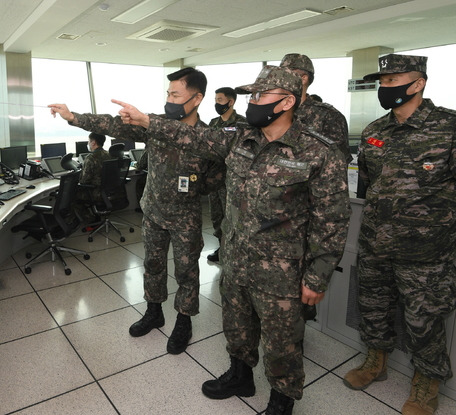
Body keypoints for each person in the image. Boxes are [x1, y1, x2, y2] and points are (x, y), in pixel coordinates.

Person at [114, 65, 350, 414]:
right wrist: (147, 121)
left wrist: (317, 276)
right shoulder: (240, 138)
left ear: (287, 101)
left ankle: (282, 401)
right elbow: (191, 137)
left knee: (282, 341)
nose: (253, 102)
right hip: (237, 258)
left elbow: (332, 220)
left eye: (260, 95)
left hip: (281, 269)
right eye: (251, 95)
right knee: (237, 325)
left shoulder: (318, 152)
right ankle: (241, 375)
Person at [49, 67, 220, 355]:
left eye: (176, 94)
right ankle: (154, 312)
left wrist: (195, 187)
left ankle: (184, 321)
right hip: (153, 210)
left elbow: (215, 175)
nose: (169, 99)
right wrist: (74, 117)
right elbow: (114, 125)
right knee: (152, 265)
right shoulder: (155, 124)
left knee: (187, 272)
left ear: (197, 98)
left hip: (185, 217)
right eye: (168, 93)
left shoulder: (206, 136)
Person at [342, 53, 456, 415]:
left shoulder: (448, 127)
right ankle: (375, 361)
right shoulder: (376, 131)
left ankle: (427, 382)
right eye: (383, 81)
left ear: (418, 83)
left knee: (424, 318)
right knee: (373, 307)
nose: (385, 87)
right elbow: (371, 183)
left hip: (426, 251)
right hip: (376, 241)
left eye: (393, 81)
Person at [279, 53, 352, 165]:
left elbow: (338, 164)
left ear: (303, 79)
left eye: (287, 74)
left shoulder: (329, 116)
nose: (279, 79)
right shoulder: (274, 112)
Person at [206, 87, 247, 263]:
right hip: (213, 179)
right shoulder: (213, 123)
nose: (217, 103)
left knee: (232, 216)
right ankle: (221, 246)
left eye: (220, 100)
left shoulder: (242, 124)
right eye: (215, 99)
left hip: (232, 180)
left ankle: (233, 250)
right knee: (217, 215)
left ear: (231, 102)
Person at [75, 132, 112, 226]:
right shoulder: (109, 155)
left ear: (93, 142)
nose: (88, 144)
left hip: (96, 193)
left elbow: (83, 181)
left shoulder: (90, 158)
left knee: (73, 195)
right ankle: (96, 218)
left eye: (89, 141)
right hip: (109, 192)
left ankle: (91, 221)